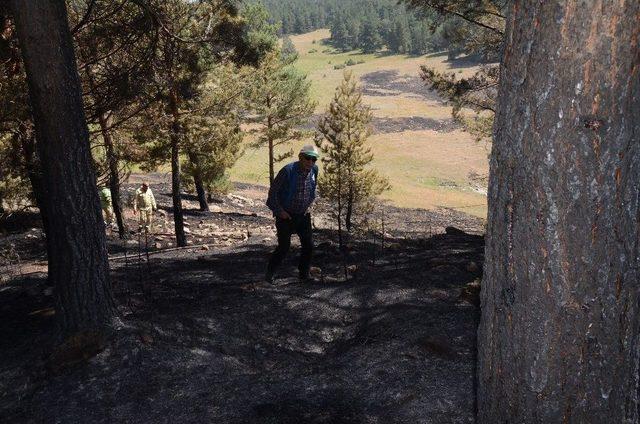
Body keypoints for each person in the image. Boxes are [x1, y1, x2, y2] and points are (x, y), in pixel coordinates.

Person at [265, 144, 319, 283]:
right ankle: (269, 274)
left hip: (303, 214)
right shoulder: (288, 171)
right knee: (284, 247)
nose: (311, 162)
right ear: (300, 157)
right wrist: (279, 211)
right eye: (308, 158)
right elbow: (272, 194)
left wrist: (309, 205)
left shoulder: (314, 170)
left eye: (314, 159)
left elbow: (312, 189)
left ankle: (304, 274)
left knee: (309, 245)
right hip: (286, 215)